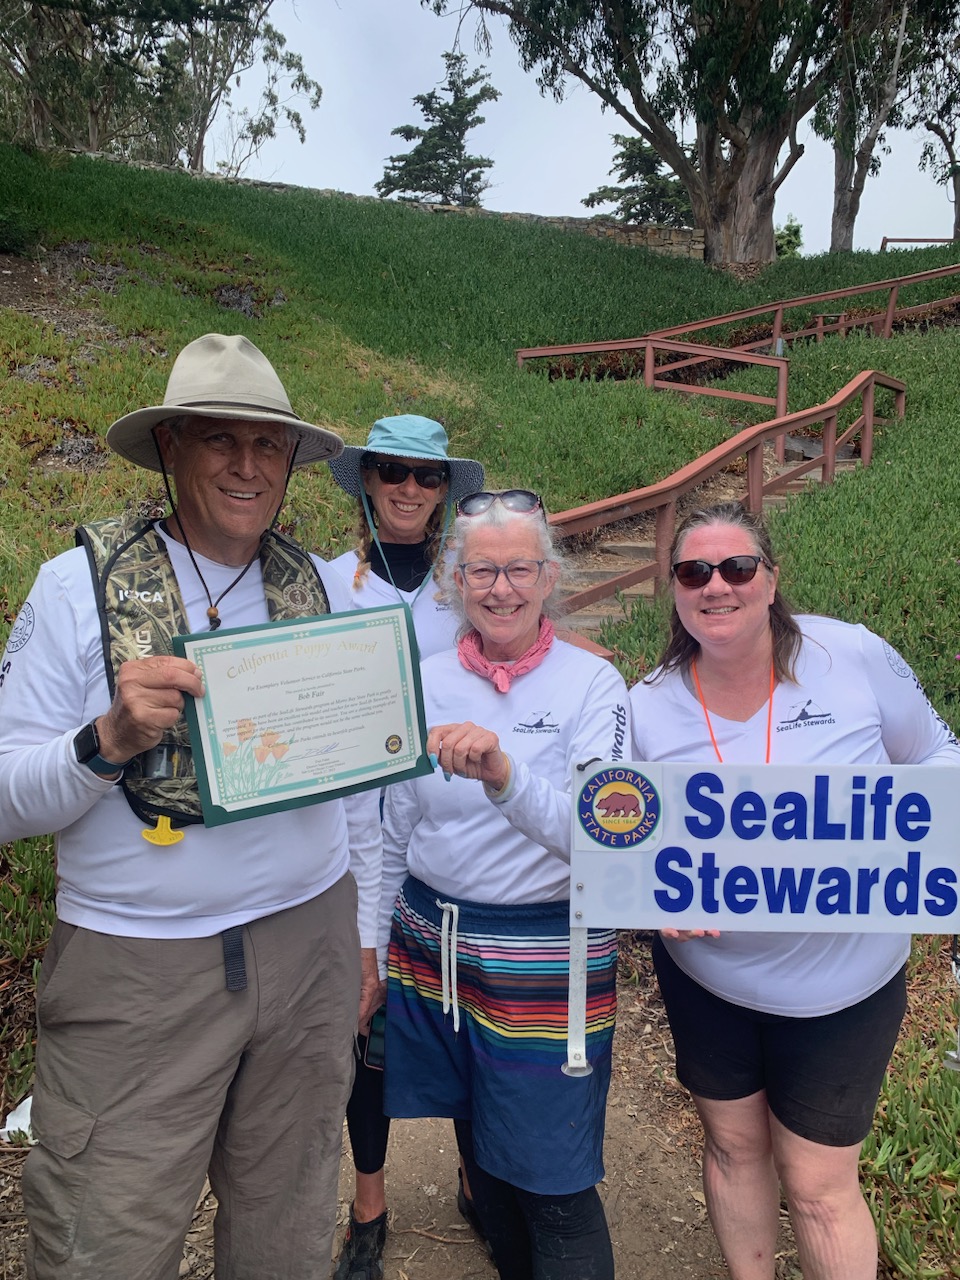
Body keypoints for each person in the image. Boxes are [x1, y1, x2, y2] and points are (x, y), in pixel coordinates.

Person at [0, 333, 383, 1280]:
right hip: (138, 968)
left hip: (311, 949)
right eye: (219, 439)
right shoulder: (74, 590)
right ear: (169, 447)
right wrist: (107, 742)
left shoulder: (324, 587)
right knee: (107, 1237)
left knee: (287, 1222)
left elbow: (365, 784)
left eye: (270, 445)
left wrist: (364, 932)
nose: (248, 466)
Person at [628, 500, 960, 1280]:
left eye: (738, 568)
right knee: (734, 1147)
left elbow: (939, 756)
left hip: (842, 986)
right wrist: (651, 895)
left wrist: (906, 849)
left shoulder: (853, 657)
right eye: (693, 571)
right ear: (674, 590)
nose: (718, 586)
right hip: (712, 983)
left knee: (817, 1185)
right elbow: (627, 842)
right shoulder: (645, 707)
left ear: (771, 580)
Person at [378, 489, 630, 1280]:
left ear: (550, 575)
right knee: (480, 1149)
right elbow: (390, 829)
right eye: (481, 571)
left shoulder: (593, 686)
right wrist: (366, 944)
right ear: (453, 582)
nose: (501, 588)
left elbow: (602, 837)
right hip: (432, 944)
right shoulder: (418, 679)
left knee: (554, 1184)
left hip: (546, 954)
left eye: (519, 568)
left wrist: (503, 775)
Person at [326, 414, 486, 1278]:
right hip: (353, 830)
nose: (411, 489)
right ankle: (370, 1203)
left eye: (428, 477)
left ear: (444, 492)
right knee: (368, 1012)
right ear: (368, 478)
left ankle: (474, 1179)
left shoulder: (467, 586)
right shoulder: (326, 582)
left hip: (448, 823)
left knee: (464, 1009)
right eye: (394, 470)